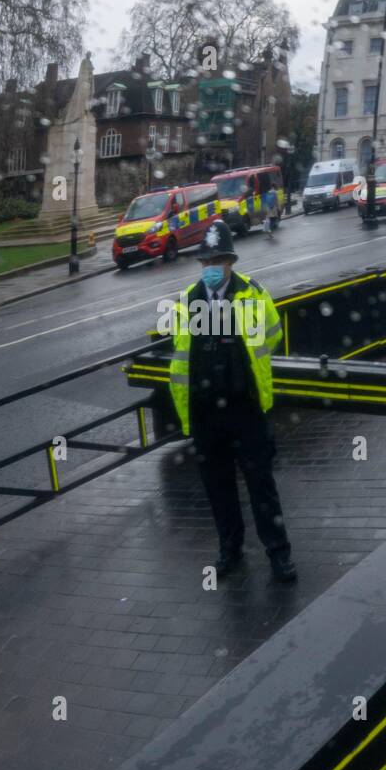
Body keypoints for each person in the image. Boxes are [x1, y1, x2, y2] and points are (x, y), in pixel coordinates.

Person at [168, 218, 297, 582]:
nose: (211, 269)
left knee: (261, 486)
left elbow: (271, 335)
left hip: (244, 408)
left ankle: (278, 553)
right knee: (218, 486)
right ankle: (230, 549)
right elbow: (181, 356)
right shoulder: (187, 301)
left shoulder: (253, 295)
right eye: (206, 262)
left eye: (218, 262)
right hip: (205, 410)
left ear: (231, 262)